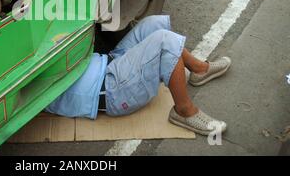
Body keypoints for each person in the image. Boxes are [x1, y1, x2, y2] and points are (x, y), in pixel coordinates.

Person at [45, 15, 231, 136]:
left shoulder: (34, 44)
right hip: (112, 90)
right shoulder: (28, 79)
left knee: (154, 24)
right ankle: (183, 111)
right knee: (165, 41)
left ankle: (199, 70)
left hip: (110, 62)